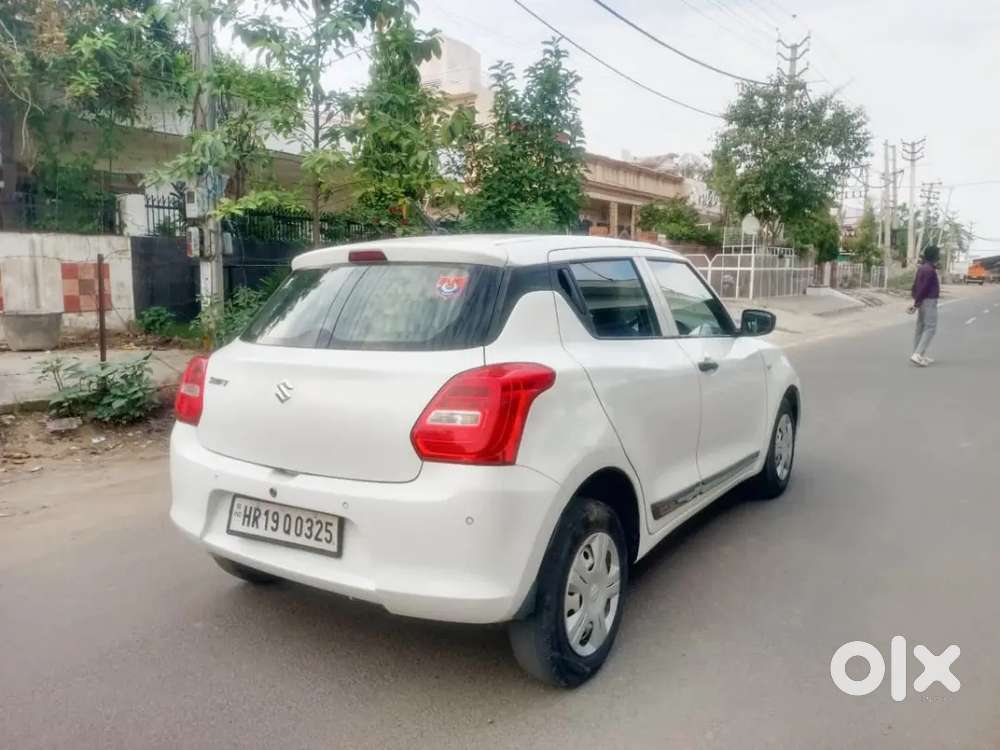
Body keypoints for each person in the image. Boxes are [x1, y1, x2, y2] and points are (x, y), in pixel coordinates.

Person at [908, 245, 941, 366]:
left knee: (921, 327)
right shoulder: (929, 270)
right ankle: (917, 354)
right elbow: (923, 287)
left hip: (922, 300)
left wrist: (916, 302)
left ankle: (918, 354)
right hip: (929, 301)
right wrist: (917, 302)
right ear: (933, 255)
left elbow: (915, 286)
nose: (939, 256)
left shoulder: (922, 268)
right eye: (938, 254)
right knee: (930, 327)